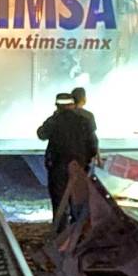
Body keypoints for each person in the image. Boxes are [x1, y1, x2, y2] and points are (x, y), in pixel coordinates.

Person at [36, 92, 98, 228]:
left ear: (57, 106)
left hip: (57, 166)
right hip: (79, 166)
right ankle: (78, 228)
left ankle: (60, 229)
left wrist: (53, 117)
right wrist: (86, 161)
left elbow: (41, 134)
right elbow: (93, 144)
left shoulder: (54, 121)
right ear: (73, 104)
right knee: (78, 198)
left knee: (59, 199)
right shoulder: (84, 120)